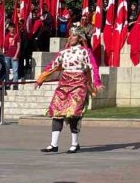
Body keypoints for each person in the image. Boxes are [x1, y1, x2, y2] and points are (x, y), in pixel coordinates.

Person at [35, 26, 101, 154]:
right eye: (70, 35)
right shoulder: (63, 53)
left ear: (80, 38)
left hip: (79, 83)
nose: (71, 38)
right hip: (64, 83)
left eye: (74, 35)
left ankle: (74, 144)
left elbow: (93, 67)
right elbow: (52, 66)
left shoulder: (85, 51)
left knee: (74, 113)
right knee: (56, 112)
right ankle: (53, 144)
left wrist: (96, 82)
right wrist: (41, 79)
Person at [4, 23, 21, 90]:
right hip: (7, 55)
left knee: (15, 70)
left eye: (13, 27)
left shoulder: (17, 36)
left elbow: (18, 46)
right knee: (6, 70)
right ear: (9, 28)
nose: (12, 29)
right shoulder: (6, 35)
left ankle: (15, 84)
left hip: (14, 55)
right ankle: (7, 84)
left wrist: (16, 55)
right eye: (11, 27)